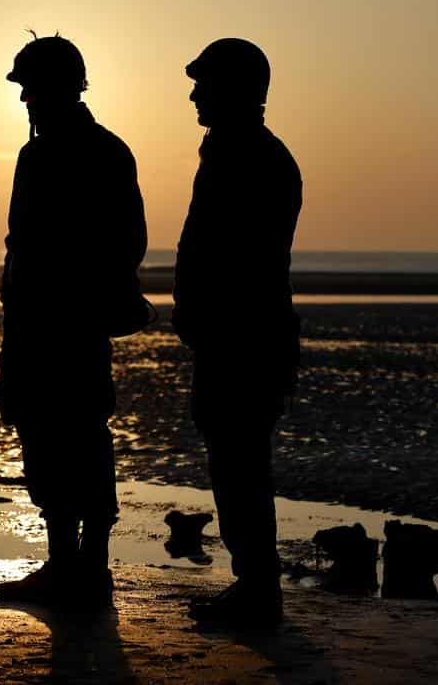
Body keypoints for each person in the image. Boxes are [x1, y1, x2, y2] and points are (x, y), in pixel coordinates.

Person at [0, 34, 148, 607]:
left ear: (61, 88)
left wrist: (70, 295)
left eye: (32, 87)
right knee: (58, 435)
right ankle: (75, 568)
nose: (26, 98)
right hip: (47, 323)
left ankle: (83, 569)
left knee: (72, 436)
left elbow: (124, 244)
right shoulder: (98, 150)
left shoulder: (80, 153)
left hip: (64, 325)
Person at [173, 38, 302, 626]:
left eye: (205, 83)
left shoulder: (251, 157)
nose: (195, 94)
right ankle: (253, 585)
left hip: (244, 341)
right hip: (233, 338)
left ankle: (257, 589)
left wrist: (204, 313)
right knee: (235, 461)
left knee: (241, 463)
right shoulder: (234, 152)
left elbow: (240, 260)